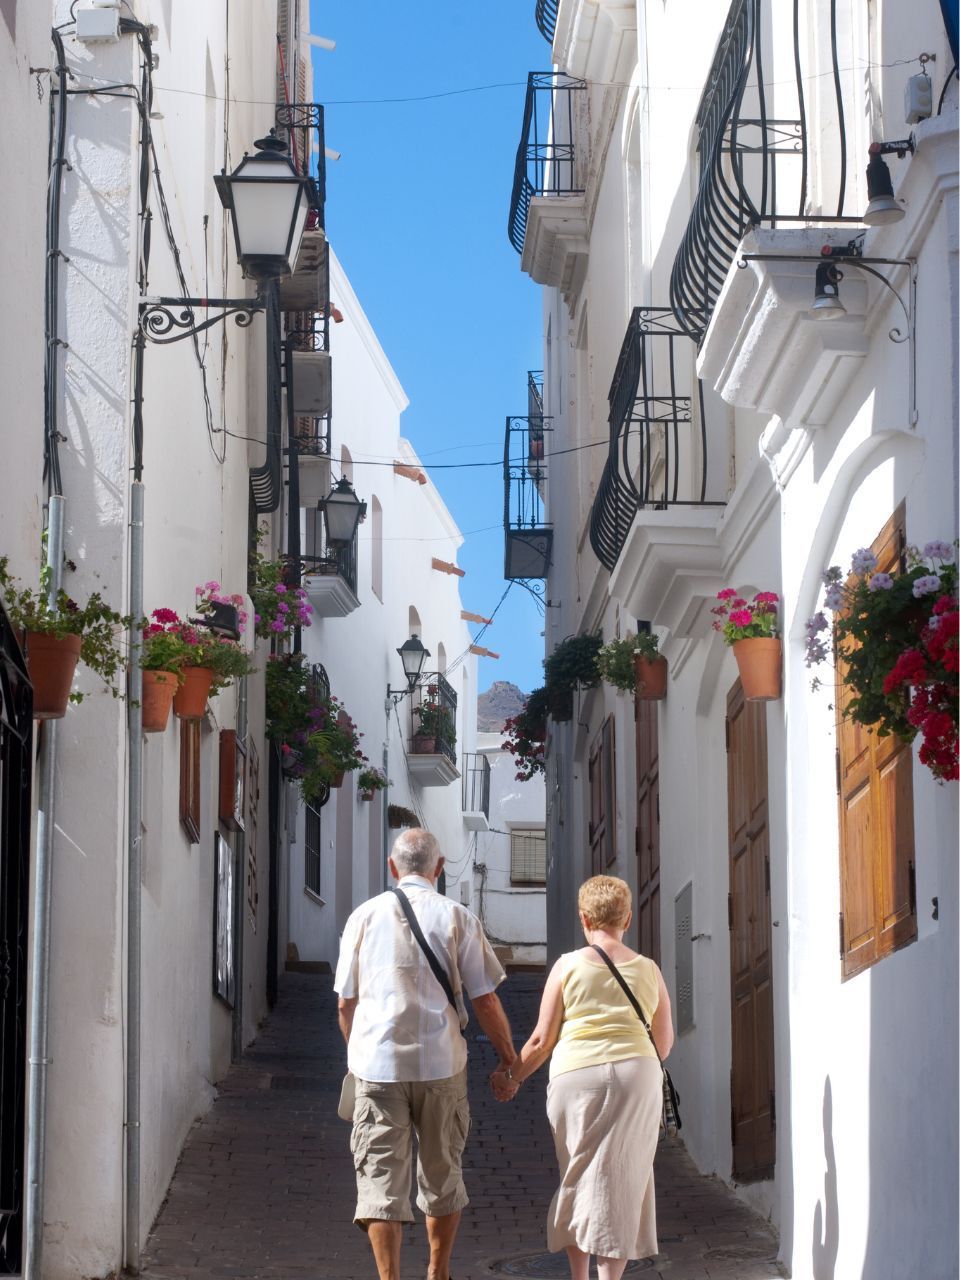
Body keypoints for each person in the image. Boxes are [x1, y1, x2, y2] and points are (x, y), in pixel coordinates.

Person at [335, 828, 517, 1280]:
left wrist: (358, 1052)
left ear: (392, 868)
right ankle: (438, 1271)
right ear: (439, 868)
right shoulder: (457, 918)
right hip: (441, 1065)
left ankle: (390, 1277)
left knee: (380, 1182)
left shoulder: (363, 917)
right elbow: (485, 999)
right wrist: (508, 1058)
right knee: (442, 1173)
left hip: (378, 1067)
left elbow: (344, 1003)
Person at [491, 875, 674, 1280]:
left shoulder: (567, 965)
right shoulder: (648, 969)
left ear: (583, 918)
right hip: (637, 1075)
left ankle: (578, 1276)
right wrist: (631, 1066)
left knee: (578, 1172)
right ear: (627, 917)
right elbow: (664, 1041)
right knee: (625, 1179)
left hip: (577, 1076)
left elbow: (541, 1039)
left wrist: (512, 1076)